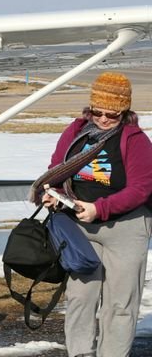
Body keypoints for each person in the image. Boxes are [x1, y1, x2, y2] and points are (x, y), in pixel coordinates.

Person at [35, 71, 152, 357]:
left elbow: (142, 188)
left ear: (124, 111)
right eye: (96, 112)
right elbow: (56, 169)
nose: (102, 119)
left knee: (120, 303)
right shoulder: (75, 132)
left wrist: (101, 208)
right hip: (80, 229)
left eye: (111, 115)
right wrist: (50, 194)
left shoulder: (135, 140)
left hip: (126, 228)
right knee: (80, 297)